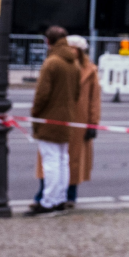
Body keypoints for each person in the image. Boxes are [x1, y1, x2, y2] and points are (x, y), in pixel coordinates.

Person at [28, 26, 80, 216]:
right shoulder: (73, 63)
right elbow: (76, 94)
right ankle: (60, 199)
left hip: (49, 118)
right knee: (62, 160)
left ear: (48, 41)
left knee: (50, 162)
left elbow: (42, 94)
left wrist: (35, 113)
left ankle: (48, 202)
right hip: (67, 118)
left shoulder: (52, 62)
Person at [65, 35, 100, 206]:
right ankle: (49, 195)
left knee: (75, 160)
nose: (72, 51)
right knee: (53, 161)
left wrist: (93, 123)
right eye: (69, 47)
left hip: (80, 121)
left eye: (75, 48)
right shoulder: (59, 66)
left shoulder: (90, 70)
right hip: (60, 119)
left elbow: (95, 99)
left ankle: (70, 196)